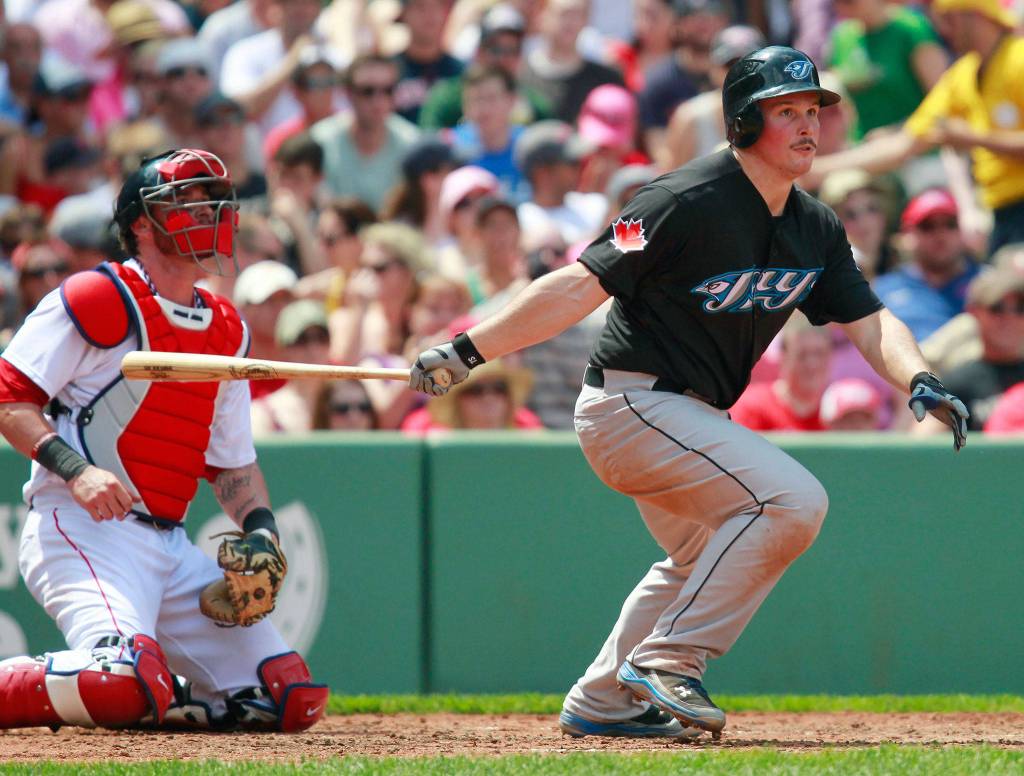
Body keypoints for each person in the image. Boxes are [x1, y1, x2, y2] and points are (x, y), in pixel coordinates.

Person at [408, 46, 968, 741]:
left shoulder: (813, 226)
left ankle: (603, 699)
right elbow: (581, 284)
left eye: (813, 111)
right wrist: (468, 349)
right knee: (793, 501)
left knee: (701, 554)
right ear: (741, 123)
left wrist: (919, 376)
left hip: (686, 417)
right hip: (630, 405)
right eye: (785, 112)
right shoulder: (680, 199)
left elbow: (870, 320)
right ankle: (672, 659)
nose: (807, 126)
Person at [0, 148, 327, 731]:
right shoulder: (97, 297)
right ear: (141, 226)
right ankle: (133, 684)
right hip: (82, 529)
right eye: (187, 203)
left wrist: (262, 533)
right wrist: (75, 470)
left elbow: (231, 467)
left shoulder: (228, 329)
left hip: (170, 545)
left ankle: (160, 694)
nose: (207, 215)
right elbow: (9, 396)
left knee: (285, 696)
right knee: (116, 679)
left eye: (212, 203)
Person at [811, 0, 1024, 255]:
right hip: (1002, 213)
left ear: (974, 15)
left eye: (949, 19)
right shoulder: (961, 77)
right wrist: (817, 170)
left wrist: (973, 138)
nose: (943, 30)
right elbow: (907, 143)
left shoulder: (1018, 61)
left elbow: (948, 138)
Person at [872, 188, 979, 341]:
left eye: (950, 224)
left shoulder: (987, 283)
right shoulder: (882, 291)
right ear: (907, 235)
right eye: (928, 226)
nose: (940, 235)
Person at [729, 314, 832, 432]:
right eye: (802, 355)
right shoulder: (753, 407)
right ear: (783, 357)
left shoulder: (840, 413)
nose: (812, 364)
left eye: (819, 353)